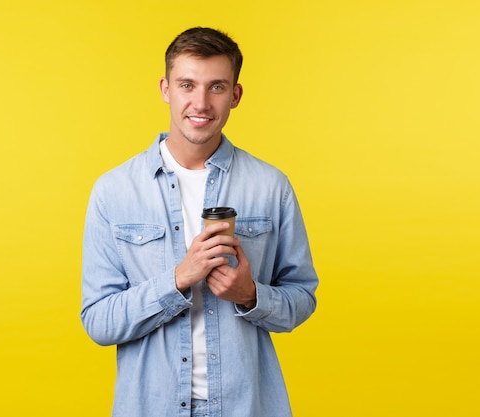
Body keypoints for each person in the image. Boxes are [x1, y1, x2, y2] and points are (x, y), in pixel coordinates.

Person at [81, 27, 319, 417]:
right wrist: (177, 280)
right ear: (165, 89)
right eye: (187, 84)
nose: (201, 103)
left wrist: (250, 295)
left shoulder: (270, 185)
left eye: (217, 87)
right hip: (150, 407)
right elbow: (99, 322)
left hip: (247, 406)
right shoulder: (114, 191)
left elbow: (302, 297)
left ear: (236, 95)